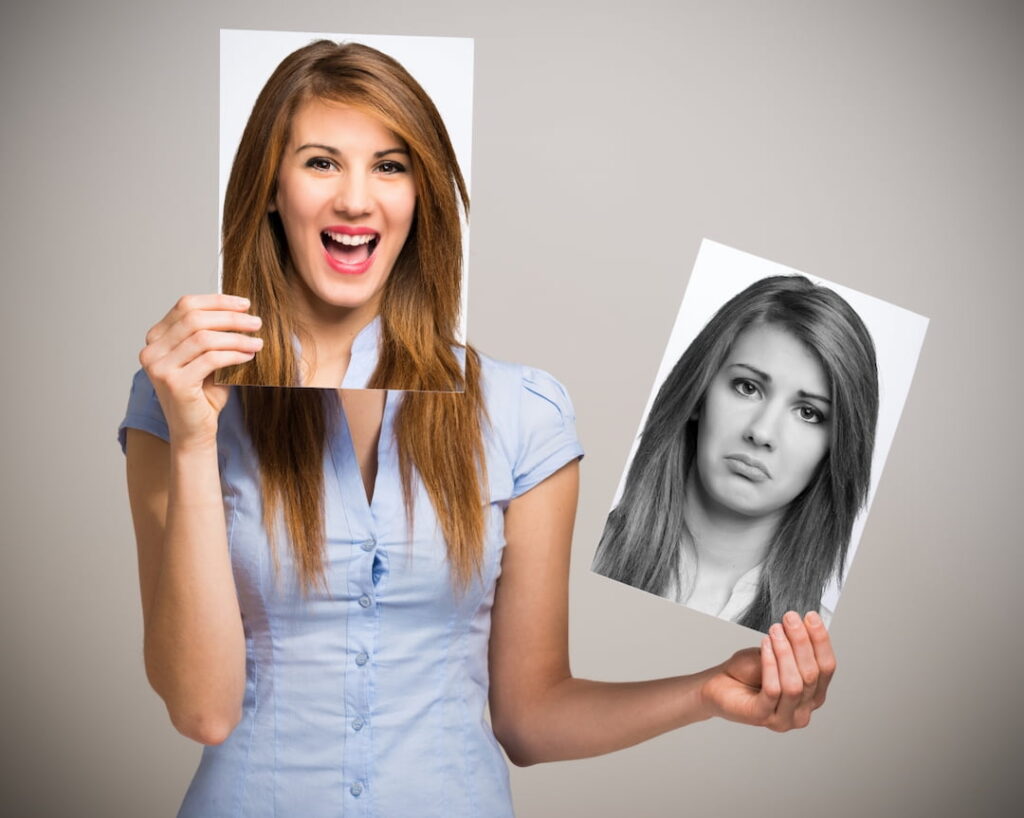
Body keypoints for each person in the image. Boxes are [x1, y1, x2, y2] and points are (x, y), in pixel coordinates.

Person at [121, 41, 839, 818]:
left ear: (422, 196)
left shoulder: (523, 413)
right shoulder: (180, 399)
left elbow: (530, 718)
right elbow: (204, 711)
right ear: (270, 189)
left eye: (390, 167)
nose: (357, 201)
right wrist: (194, 440)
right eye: (322, 162)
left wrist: (704, 692)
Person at [593, 275, 879, 632]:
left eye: (808, 412)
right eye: (747, 388)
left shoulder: (822, 646)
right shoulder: (569, 552)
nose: (761, 433)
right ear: (699, 394)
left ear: (836, 449)